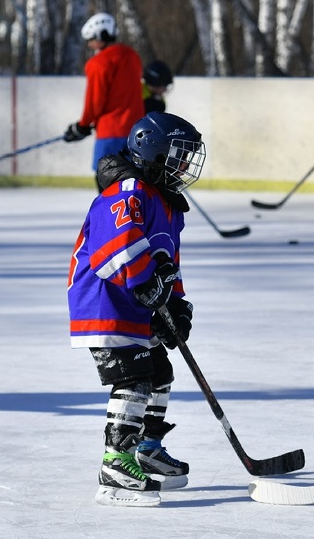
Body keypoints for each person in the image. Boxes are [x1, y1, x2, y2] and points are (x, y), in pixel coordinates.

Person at [67, 112, 206, 507]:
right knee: (134, 376)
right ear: (152, 151)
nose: (184, 166)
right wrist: (147, 284)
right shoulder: (128, 190)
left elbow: (167, 263)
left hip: (134, 301)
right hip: (105, 301)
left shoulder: (169, 205)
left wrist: (175, 304)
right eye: (178, 156)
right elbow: (113, 248)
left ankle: (146, 447)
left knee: (159, 371)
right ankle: (115, 465)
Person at [63, 12, 145, 187]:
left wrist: (82, 125)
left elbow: (95, 101)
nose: (90, 44)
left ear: (101, 36)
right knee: (135, 187)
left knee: (107, 187)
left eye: (91, 39)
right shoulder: (133, 56)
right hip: (137, 132)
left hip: (110, 133)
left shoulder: (98, 63)